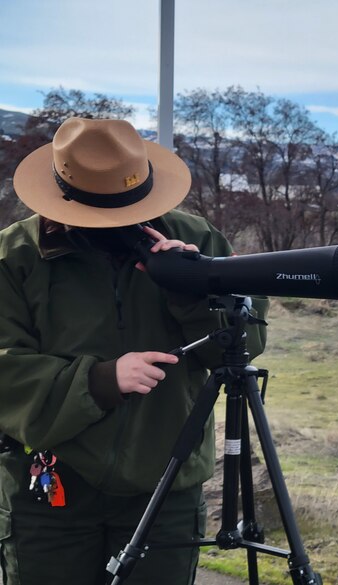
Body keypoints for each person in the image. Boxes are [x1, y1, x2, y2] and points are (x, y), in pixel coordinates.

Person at [0, 117, 268, 584]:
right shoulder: (14, 256)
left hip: (167, 484)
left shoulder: (198, 239)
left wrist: (190, 288)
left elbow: (246, 343)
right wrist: (99, 381)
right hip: (49, 488)